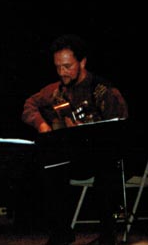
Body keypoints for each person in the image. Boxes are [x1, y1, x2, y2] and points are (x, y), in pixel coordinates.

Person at [22, 34, 129, 245]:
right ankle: (61, 231)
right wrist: (42, 125)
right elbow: (28, 106)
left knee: (106, 167)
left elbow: (118, 127)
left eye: (68, 66)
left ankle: (108, 234)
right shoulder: (55, 91)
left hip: (102, 157)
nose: (62, 72)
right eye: (58, 67)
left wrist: (87, 131)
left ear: (82, 62)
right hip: (73, 158)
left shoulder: (102, 90)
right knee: (48, 166)